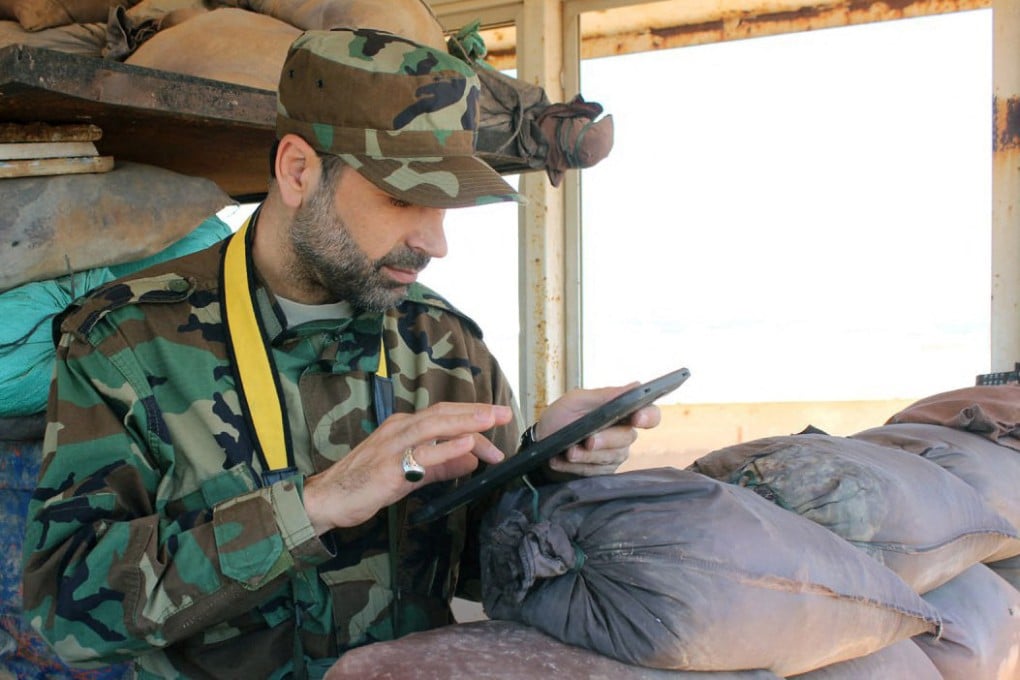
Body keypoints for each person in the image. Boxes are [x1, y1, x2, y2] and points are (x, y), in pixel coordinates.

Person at [21, 27, 659, 679]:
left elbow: (482, 568)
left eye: (448, 205)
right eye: (403, 196)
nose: (436, 242)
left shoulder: (446, 342)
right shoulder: (126, 339)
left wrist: (544, 464)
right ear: (299, 170)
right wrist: (317, 503)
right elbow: (69, 613)